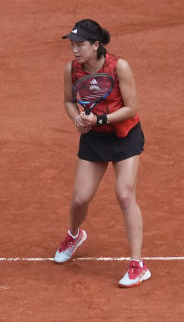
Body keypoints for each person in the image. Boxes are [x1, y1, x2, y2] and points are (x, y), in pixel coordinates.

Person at [54, 19, 148, 287]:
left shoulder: (119, 67)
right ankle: (74, 235)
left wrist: (101, 120)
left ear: (96, 45)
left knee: (124, 193)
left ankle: (137, 265)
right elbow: (69, 101)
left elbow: (131, 107)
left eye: (80, 44)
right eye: (72, 44)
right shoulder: (71, 69)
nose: (74, 50)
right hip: (95, 138)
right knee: (80, 199)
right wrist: (77, 120)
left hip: (124, 136)